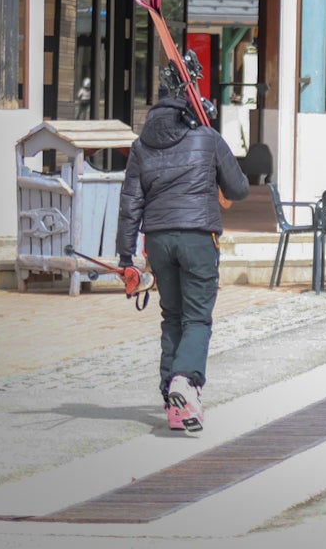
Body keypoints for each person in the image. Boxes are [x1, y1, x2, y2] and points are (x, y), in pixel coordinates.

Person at [117, 94, 249, 433]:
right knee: (197, 318)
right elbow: (238, 189)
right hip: (198, 236)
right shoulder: (206, 138)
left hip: (158, 240)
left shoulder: (140, 147)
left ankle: (174, 405)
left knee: (172, 317)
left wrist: (125, 256)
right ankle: (185, 381)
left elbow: (130, 203)